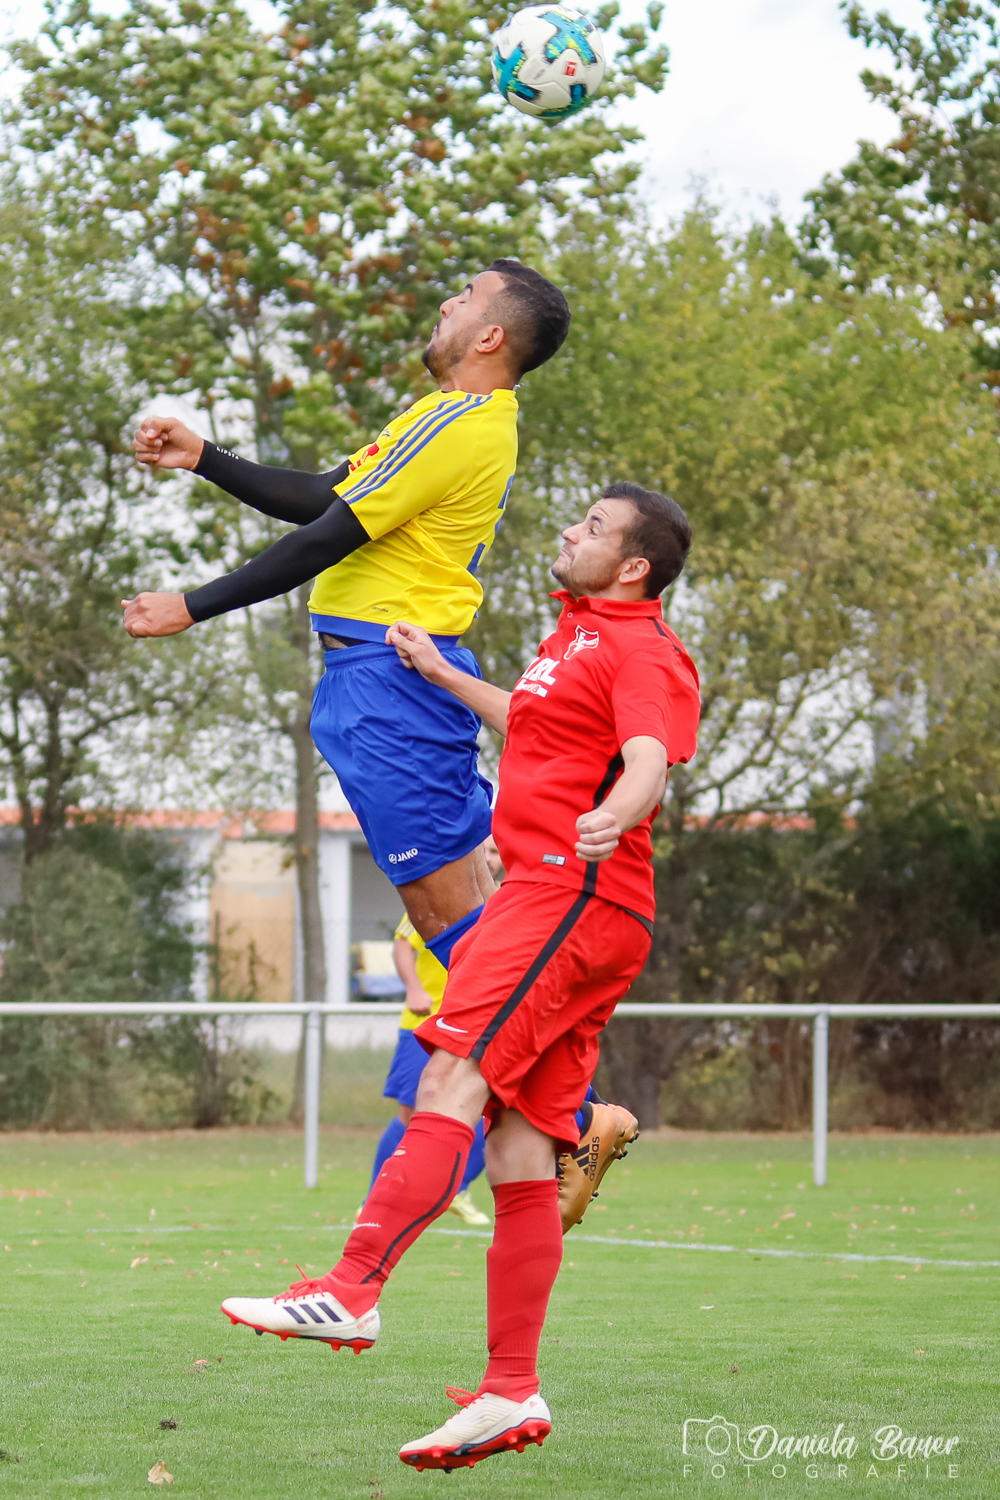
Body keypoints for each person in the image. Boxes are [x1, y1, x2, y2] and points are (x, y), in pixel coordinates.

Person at [219, 481, 702, 1473]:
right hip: (572, 903)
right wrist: (440, 673)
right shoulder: (570, 641)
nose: (571, 532)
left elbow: (649, 751)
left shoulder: (640, 648)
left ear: (635, 565)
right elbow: (528, 726)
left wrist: (623, 810)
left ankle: (352, 1291)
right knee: (520, 1146)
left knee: (448, 1077)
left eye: (594, 528)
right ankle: (507, 1390)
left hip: (569, 895)